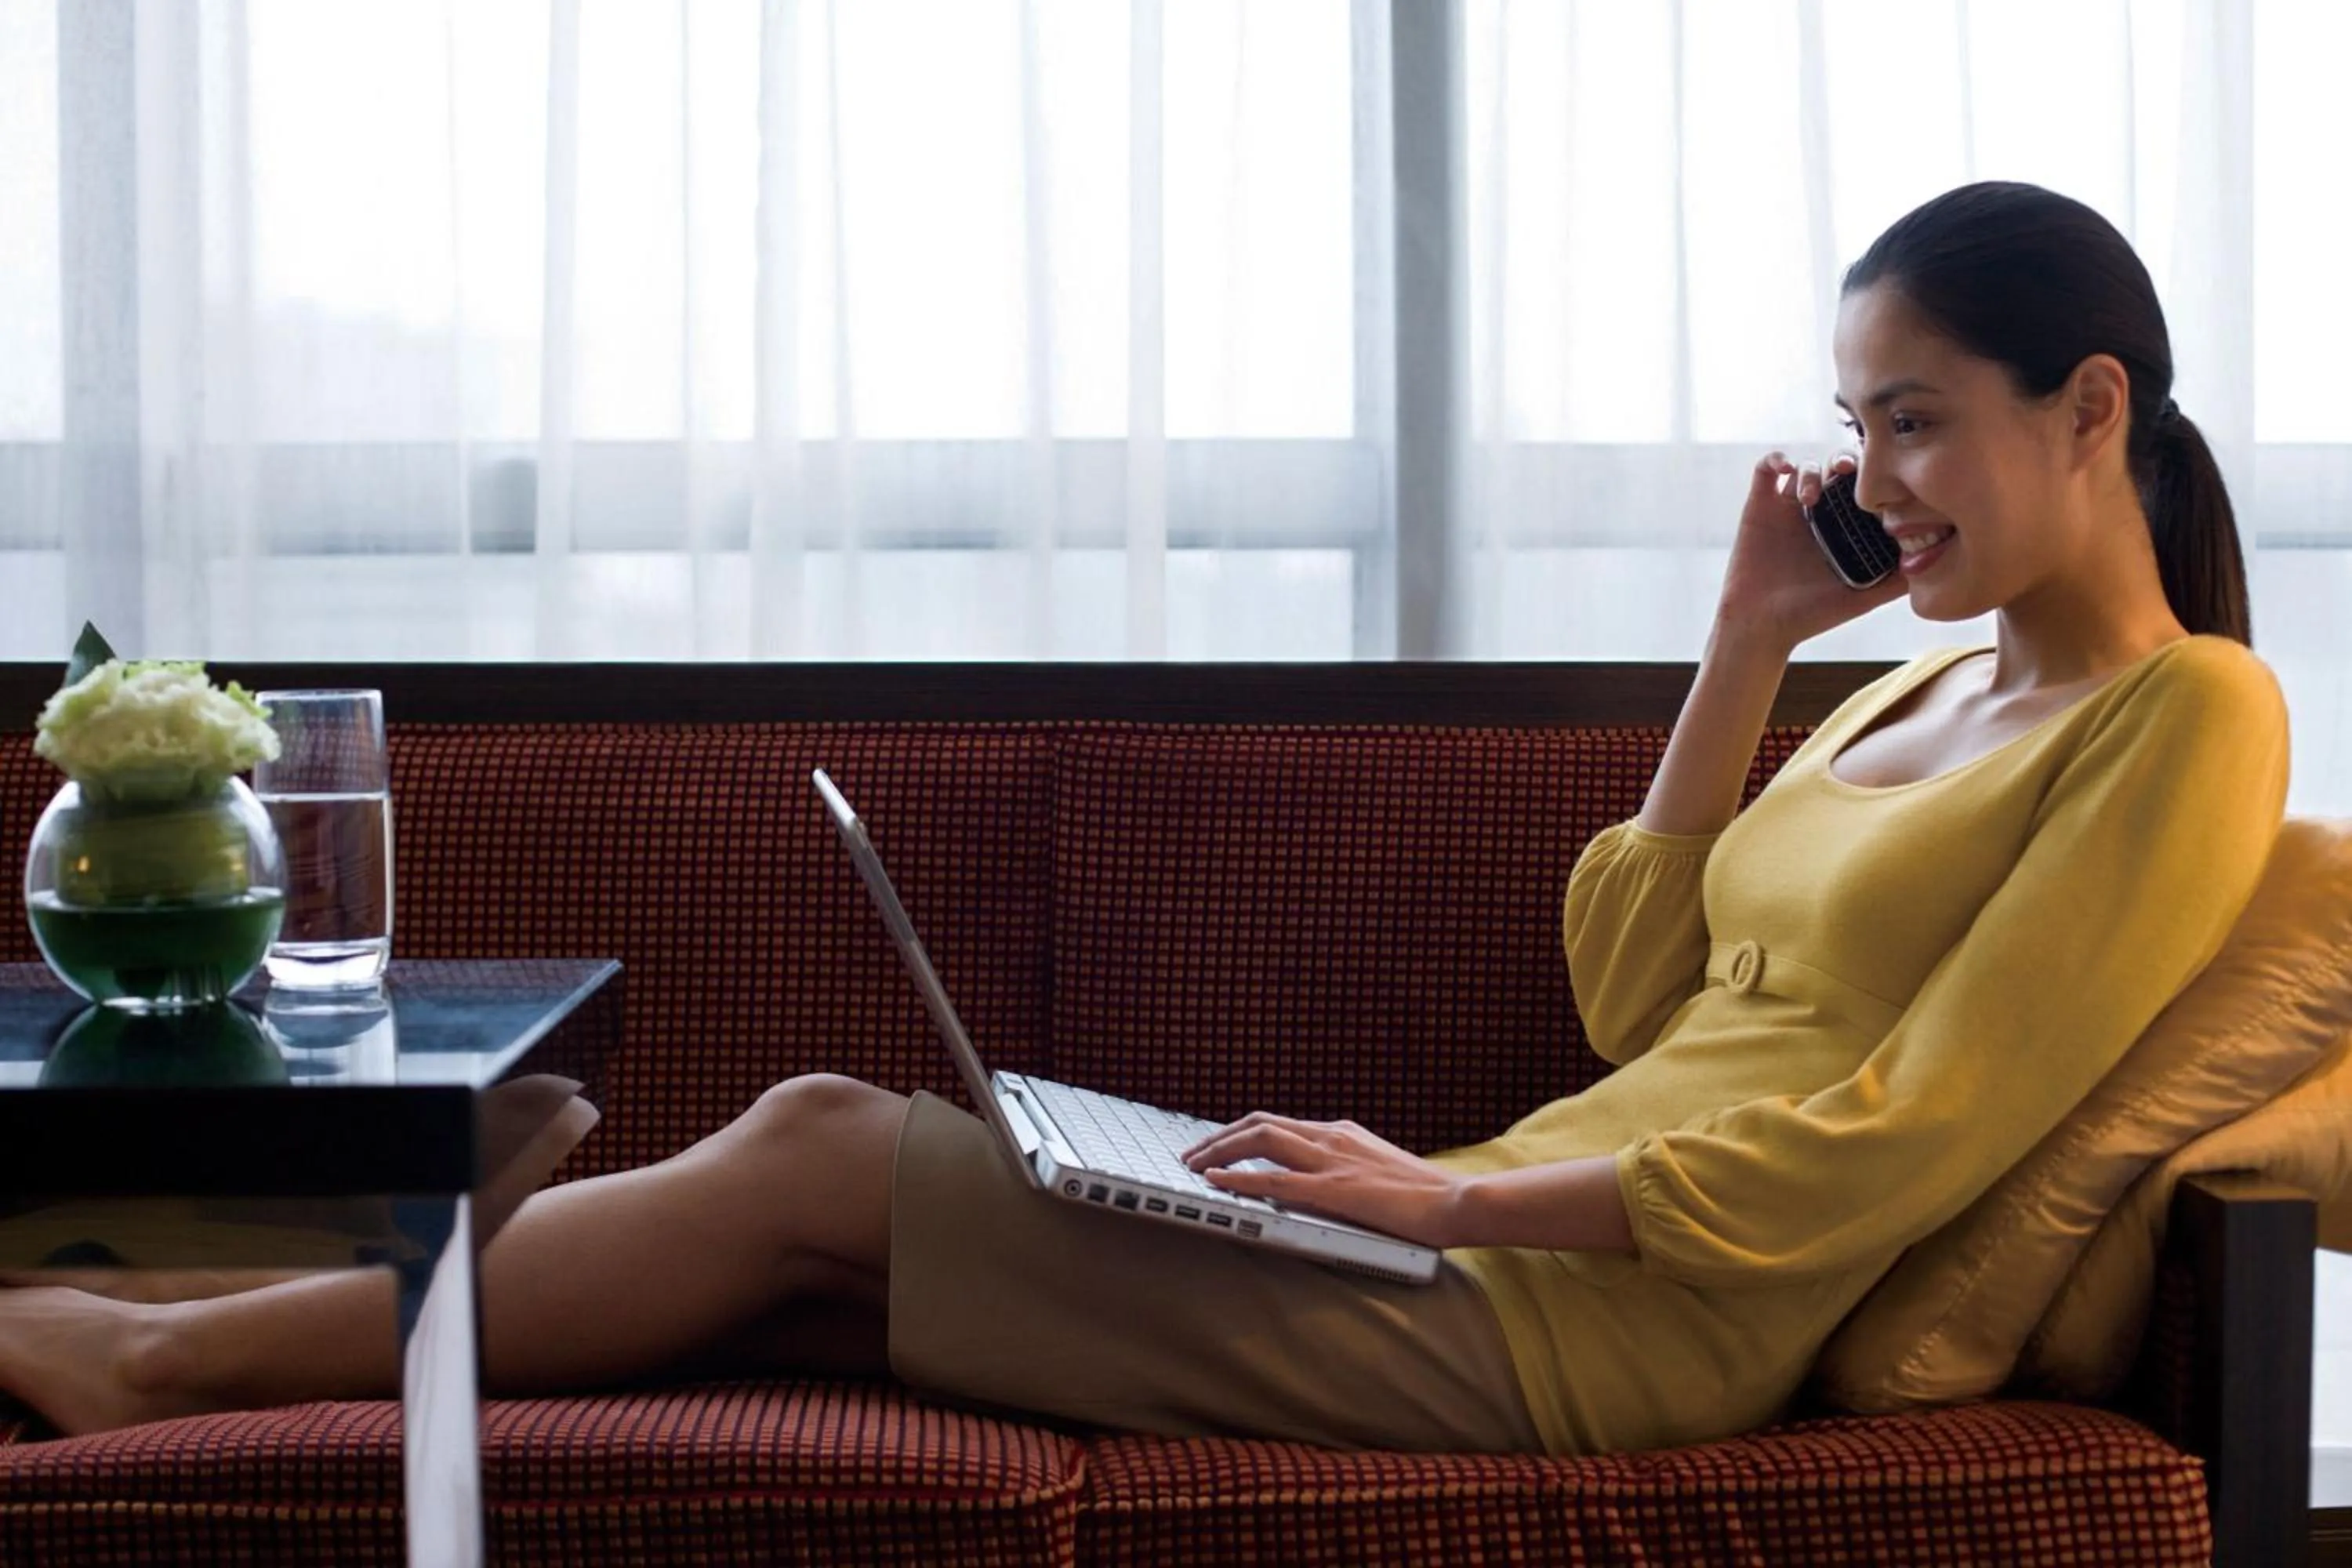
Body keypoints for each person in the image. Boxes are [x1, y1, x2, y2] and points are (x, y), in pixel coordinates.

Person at [0, 180, 2292, 1458]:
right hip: (1502, 1218)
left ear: (2090, 409)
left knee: (813, 1144)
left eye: (1917, 426)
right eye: (1851, 426)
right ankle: (205, 1302)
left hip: (1617, 1322)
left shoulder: (2186, 726)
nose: (1871, 485)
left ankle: (155, 1352)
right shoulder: (1920, 684)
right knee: (810, 1249)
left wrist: (1459, 1204)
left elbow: (1909, 1131)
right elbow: (1635, 988)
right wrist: (1738, 657)